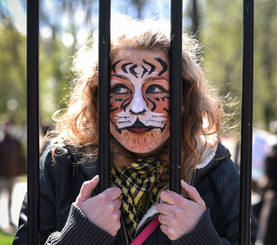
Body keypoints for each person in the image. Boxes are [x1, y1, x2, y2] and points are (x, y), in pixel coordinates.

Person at [14, 17, 256, 245]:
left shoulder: (214, 167)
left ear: (183, 100)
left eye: (155, 89)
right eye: (119, 89)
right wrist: (79, 234)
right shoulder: (62, 162)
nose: (137, 108)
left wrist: (200, 238)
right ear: (98, 98)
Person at [0, 120, 26, 229]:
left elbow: (20, 158)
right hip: (2, 176)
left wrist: (20, 172)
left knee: (10, 199)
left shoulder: (15, 142)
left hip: (12, 176)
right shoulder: (1, 143)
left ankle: (10, 220)